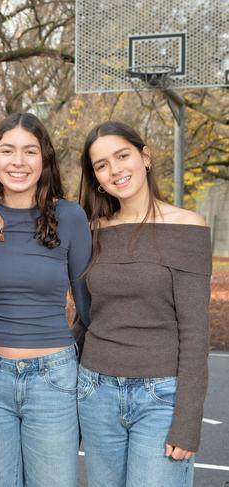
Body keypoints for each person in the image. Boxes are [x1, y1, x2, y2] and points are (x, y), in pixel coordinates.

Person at [77, 121, 211, 487]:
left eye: (122, 156)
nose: (115, 170)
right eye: (101, 164)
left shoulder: (188, 227)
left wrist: (187, 422)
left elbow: (197, 334)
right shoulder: (91, 232)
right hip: (95, 392)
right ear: (96, 177)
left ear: (145, 156)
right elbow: (86, 319)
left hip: (161, 399)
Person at [0, 113, 91, 487]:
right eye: (7, 150)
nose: (18, 162)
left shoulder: (70, 217)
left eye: (30, 151)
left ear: (45, 160)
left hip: (53, 379)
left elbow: (88, 307)